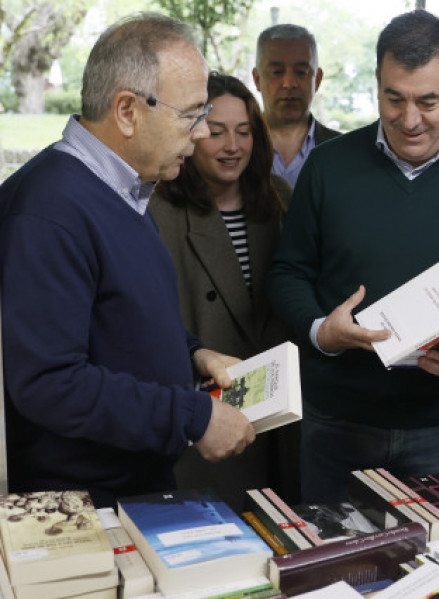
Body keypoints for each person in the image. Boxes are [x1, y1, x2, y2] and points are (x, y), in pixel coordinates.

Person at [267, 9, 439, 503]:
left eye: (428, 101)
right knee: (332, 564)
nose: (409, 120)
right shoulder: (329, 166)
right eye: (394, 99)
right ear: (378, 86)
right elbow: (287, 272)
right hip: (337, 420)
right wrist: (322, 330)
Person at [0, 13, 255, 509]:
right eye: (192, 114)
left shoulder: (123, 190)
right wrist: (192, 416)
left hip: (135, 486)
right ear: (126, 111)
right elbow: (49, 382)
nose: (202, 133)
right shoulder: (47, 211)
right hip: (85, 508)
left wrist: (192, 355)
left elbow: (115, 319)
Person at [149, 73, 294, 508]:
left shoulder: (280, 197)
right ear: (193, 132)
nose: (233, 145)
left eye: (245, 131)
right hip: (205, 408)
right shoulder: (158, 209)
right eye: (216, 132)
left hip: (278, 407)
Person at [253, 24, 340, 187]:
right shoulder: (234, 147)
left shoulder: (344, 152)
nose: (289, 83)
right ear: (257, 79)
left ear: (318, 79)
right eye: (277, 72)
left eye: (301, 72)